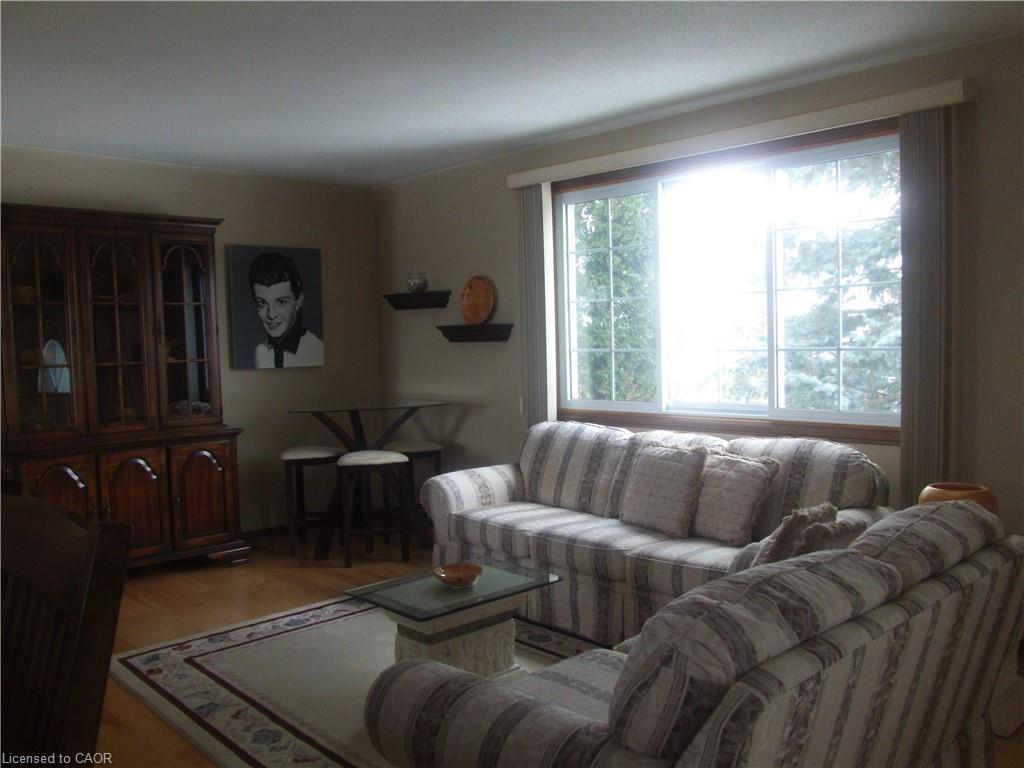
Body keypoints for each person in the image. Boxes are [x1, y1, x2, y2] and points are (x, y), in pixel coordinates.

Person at [249, 252, 323, 368]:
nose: (271, 314)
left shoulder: (317, 349)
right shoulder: (260, 352)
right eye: (262, 303)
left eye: (281, 302)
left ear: (298, 301)